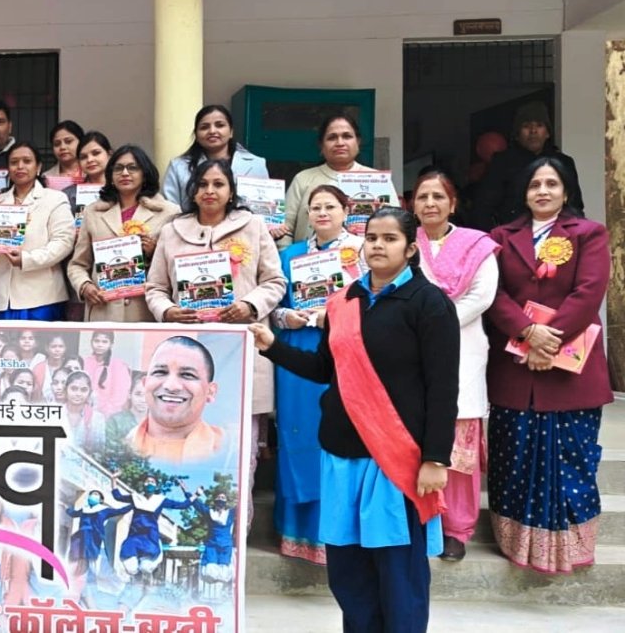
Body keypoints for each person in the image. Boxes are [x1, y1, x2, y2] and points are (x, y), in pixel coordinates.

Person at [252, 207, 460, 632]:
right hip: (341, 454)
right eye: (372, 238)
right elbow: (324, 370)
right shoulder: (343, 301)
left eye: (390, 238)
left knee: (398, 573)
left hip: (395, 460)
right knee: (347, 573)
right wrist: (273, 345)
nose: (378, 246)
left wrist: (436, 458)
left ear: (411, 248)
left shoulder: (429, 303)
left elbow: (443, 388)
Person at [484, 157, 611, 573]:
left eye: (551, 184)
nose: (542, 191)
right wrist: (526, 332)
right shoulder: (501, 238)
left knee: (572, 460)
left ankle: (570, 547)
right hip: (514, 367)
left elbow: (588, 292)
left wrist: (547, 340)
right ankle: (517, 544)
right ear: (523, 193)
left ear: (566, 190)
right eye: (534, 184)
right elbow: (493, 293)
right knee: (514, 458)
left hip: (571, 369)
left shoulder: (589, 233)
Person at [145, 159, 285, 464]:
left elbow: (275, 281)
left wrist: (249, 305)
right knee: (186, 437)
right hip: (190, 346)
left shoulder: (253, 226)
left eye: (218, 184)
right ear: (193, 192)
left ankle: (243, 497)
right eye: (203, 184)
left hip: (243, 344)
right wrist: (168, 311)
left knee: (240, 446)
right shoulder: (172, 232)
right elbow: (155, 287)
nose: (210, 190)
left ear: (231, 191)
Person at [269, 183, 367, 565]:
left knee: (339, 434)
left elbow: (374, 301)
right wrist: (286, 317)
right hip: (298, 351)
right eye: (316, 208)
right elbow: (274, 306)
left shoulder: (361, 252)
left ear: (346, 211)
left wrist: (339, 314)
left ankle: (339, 533)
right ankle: (298, 532)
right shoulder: (290, 254)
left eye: (330, 206)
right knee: (298, 433)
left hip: (346, 352)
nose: (322, 213)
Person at [412, 170, 499, 562]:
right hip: (412, 346)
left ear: (453, 203)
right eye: (422, 196)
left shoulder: (476, 245)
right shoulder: (403, 241)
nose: (430, 203)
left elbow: (482, 296)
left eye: (438, 196)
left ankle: (456, 529)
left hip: (463, 345)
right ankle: (423, 521)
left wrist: (439, 321)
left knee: (459, 445)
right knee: (416, 436)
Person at [68, 145, 180, 322]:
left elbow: (177, 267)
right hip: (103, 309)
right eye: (118, 168)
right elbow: (78, 264)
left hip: (145, 311)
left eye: (133, 167)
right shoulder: (92, 212)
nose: (125, 173)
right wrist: (85, 286)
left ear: (145, 174)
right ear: (111, 176)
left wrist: (153, 252)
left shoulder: (169, 212)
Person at [0, 141, 75, 321]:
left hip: (42, 297)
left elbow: (63, 242)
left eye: (27, 161)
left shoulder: (55, 199)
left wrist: (26, 259)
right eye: (14, 162)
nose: (20, 166)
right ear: (8, 169)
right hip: (3, 297)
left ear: (38, 167)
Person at [282, 114, 393, 247]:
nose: (340, 143)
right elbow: (284, 228)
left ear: (358, 142)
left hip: (367, 257)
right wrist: (288, 256)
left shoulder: (378, 180)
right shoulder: (303, 179)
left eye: (347, 136)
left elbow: (395, 225)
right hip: (308, 258)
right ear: (321, 145)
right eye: (332, 137)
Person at [471, 101, 583, 230]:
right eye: (526, 126)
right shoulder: (502, 162)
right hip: (513, 233)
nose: (533, 131)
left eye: (539, 125)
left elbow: (575, 205)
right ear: (517, 134)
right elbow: (483, 207)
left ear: (547, 133)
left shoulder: (564, 162)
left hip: (557, 235)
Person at [124, 336, 224, 463]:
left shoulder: (228, 448)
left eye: (187, 374)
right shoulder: (121, 445)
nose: (171, 386)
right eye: (160, 372)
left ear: (210, 391)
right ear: (145, 384)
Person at [161, 104, 269, 208]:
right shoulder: (178, 167)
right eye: (204, 127)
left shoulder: (256, 165)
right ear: (196, 135)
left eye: (220, 125)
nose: (212, 131)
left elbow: (265, 207)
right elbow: (170, 211)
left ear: (231, 132)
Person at [111, 475, 194, 576]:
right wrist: (113, 479)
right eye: (147, 481)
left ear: (156, 486)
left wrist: (189, 492)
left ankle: (156, 558)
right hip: (134, 537)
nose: (150, 483)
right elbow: (117, 497)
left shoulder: (160, 500)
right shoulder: (135, 497)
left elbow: (183, 505)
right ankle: (135, 578)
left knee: (146, 568)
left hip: (150, 537)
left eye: (152, 482)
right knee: (131, 568)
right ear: (143, 484)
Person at [190, 490, 237, 584]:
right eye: (218, 497)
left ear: (226, 501)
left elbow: (243, 504)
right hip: (212, 545)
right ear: (215, 500)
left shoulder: (230, 513)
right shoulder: (209, 513)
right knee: (210, 572)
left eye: (223, 498)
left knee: (224, 572)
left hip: (226, 546)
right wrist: (185, 490)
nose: (220, 499)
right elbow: (196, 503)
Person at [83, 330, 132, 416]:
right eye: (97, 341)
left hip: (108, 415)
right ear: (91, 342)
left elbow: (119, 397)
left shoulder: (118, 366)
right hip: (84, 412)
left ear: (111, 344)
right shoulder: (84, 362)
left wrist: (103, 415)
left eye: (104, 342)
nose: (100, 345)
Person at [63, 131, 112, 210]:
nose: (90, 160)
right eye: (83, 157)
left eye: (96, 153)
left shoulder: (122, 190)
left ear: (109, 154)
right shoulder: (68, 195)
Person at [105, 371, 147, 451]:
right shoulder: (115, 421)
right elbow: (108, 450)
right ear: (129, 394)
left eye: (147, 395)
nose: (143, 400)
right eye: (138, 394)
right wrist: (126, 443)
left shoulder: (160, 424)